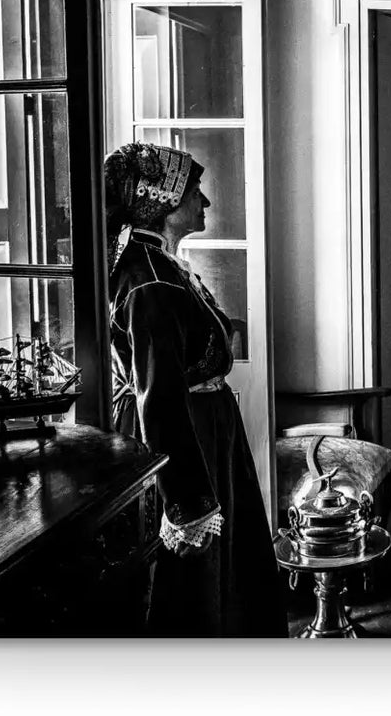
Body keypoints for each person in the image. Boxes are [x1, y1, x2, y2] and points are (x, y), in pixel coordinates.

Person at [104, 141, 285, 636]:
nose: (204, 203)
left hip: (207, 429)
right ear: (164, 201)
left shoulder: (161, 264)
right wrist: (186, 502)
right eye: (195, 192)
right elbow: (158, 398)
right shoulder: (149, 280)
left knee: (224, 571)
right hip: (186, 436)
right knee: (189, 579)